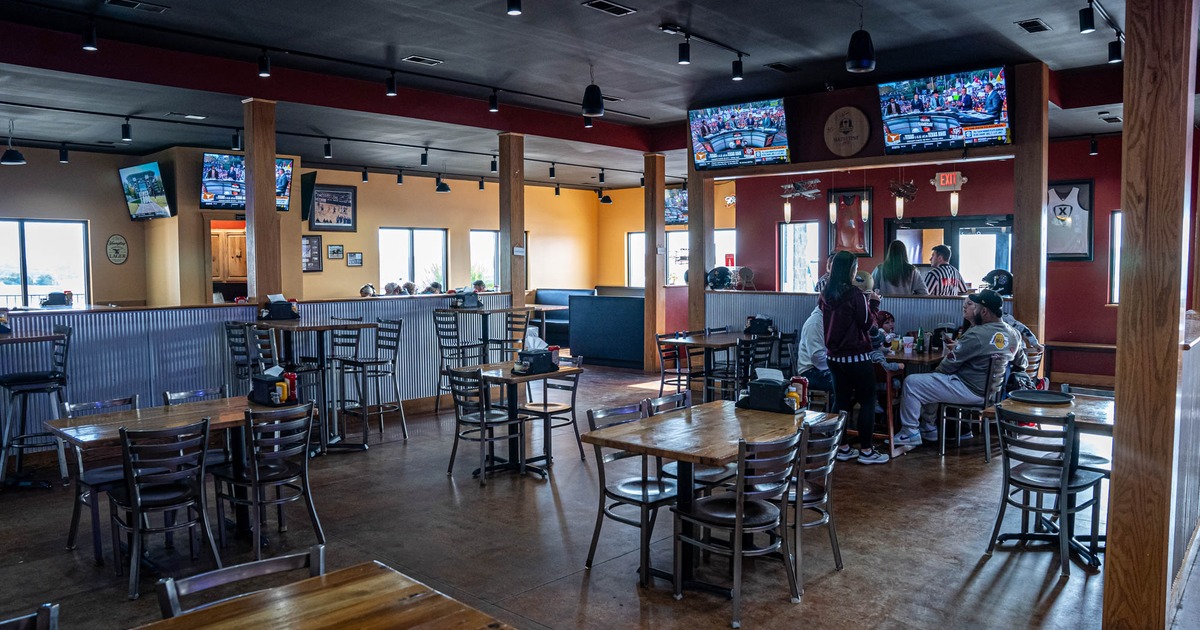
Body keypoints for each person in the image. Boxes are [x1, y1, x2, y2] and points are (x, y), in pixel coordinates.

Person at [891, 290, 1025, 449]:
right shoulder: (1014, 334)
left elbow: (949, 365)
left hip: (969, 389)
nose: (973, 310)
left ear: (983, 311)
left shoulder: (977, 334)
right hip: (992, 393)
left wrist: (936, 375)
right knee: (930, 382)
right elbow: (1022, 363)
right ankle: (928, 428)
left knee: (913, 382)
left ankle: (910, 432)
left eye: (976, 307)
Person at [819, 251, 889, 465]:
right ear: (851, 270)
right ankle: (867, 450)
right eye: (856, 267)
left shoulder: (825, 293)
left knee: (841, 402)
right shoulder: (855, 295)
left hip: (834, 357)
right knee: (868, 401)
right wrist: (874, 304)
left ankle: (841, 446)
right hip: (856, 357)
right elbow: (867, 324)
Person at [797, 307, 834, 398]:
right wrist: (836, 365)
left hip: (819, 368)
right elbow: (816, 356)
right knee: (842, 382)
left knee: (849, 379)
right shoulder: (815, 323)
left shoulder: (826, 320)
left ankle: (837, 409)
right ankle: (834, 411)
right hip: (810, 372)